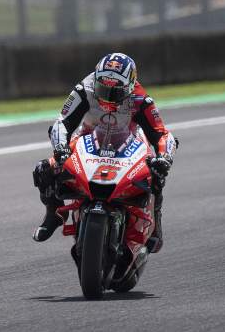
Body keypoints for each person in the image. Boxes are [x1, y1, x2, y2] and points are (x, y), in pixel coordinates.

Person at [32, 53, 177, 252]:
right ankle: (55, 214)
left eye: (114, 91)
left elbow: (162, 134)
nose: (107, 96)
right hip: (89, 138)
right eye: (103, 88)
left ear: (129, 86)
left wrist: (164, 157)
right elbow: (62, 122)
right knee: (44, 169)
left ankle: (155, 224)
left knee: (156, 174)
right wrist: (60, 149)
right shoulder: (85, 88)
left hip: (130, 142)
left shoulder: (141, 98)